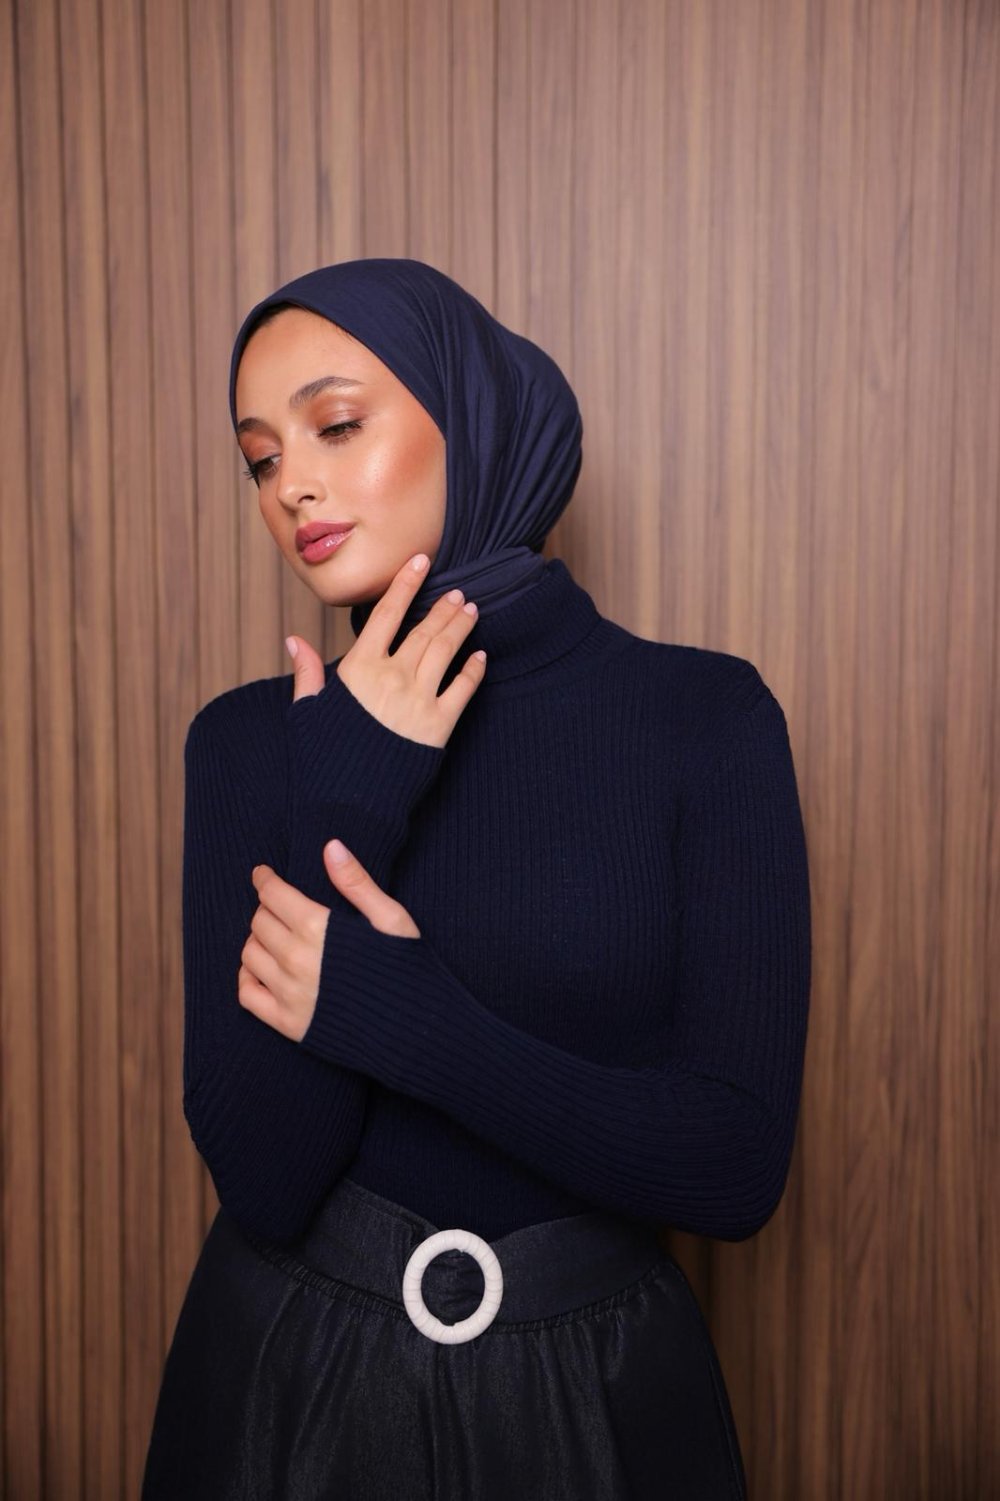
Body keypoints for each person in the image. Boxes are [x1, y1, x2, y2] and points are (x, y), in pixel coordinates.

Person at [141, 257, 811, 1499]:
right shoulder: (245, 744)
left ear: (476, 418)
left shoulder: (701, 719)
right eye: (258, 458)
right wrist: (356, 786)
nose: (290, 485)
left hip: (598, 1398)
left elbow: (732, 1167)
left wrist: (411, 1022)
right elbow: (265, 1178)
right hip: (286, 1391)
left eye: (337, 425)